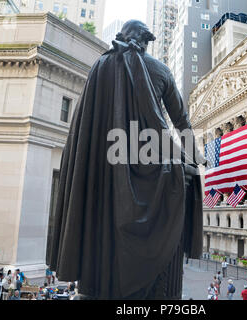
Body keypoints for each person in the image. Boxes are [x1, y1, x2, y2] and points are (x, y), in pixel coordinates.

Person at [46, 19, 204, 300]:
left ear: (123, 36)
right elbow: (181, 119)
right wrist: (193, 156)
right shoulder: (161, 69)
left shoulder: (100, 66)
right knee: (184, 177)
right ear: (146, 41)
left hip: (104, 173)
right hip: (150, 166)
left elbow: (85, 129)